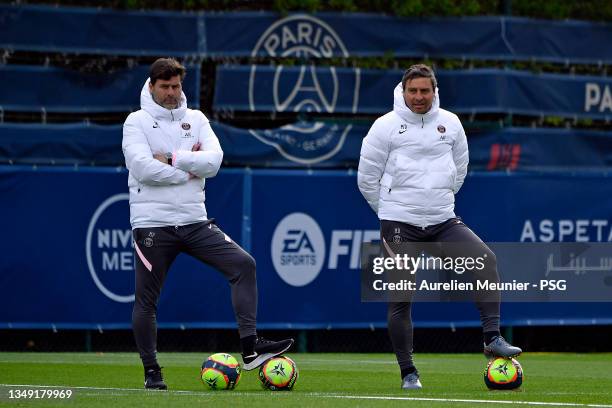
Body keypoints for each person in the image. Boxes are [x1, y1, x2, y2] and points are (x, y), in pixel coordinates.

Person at [122, 58, 293, 390]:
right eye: (165, 86)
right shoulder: (136, 122)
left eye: (176, 86)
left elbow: (214, 162)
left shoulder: (196, 119)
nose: (172, 93)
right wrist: (190, 167)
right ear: (152, 85)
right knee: (146, 300)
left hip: (195, 221)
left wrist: (172, 159)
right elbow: (142, 169)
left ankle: (249, 348)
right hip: (152, 225)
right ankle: (152, 370)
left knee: (244, 264)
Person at [357, 64, 521, 390]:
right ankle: (408, 372)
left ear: (434, 91)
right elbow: (366, 179)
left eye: (424, 91)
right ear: (403, 91)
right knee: (401, 297)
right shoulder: (384, 127)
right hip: (399, 222)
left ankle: (492, 338)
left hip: (443, 219)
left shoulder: (451, 123)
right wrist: (391, 211)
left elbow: (459, 170)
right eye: (413, 91)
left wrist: (438, 203)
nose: (419, 97)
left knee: (485, 260)